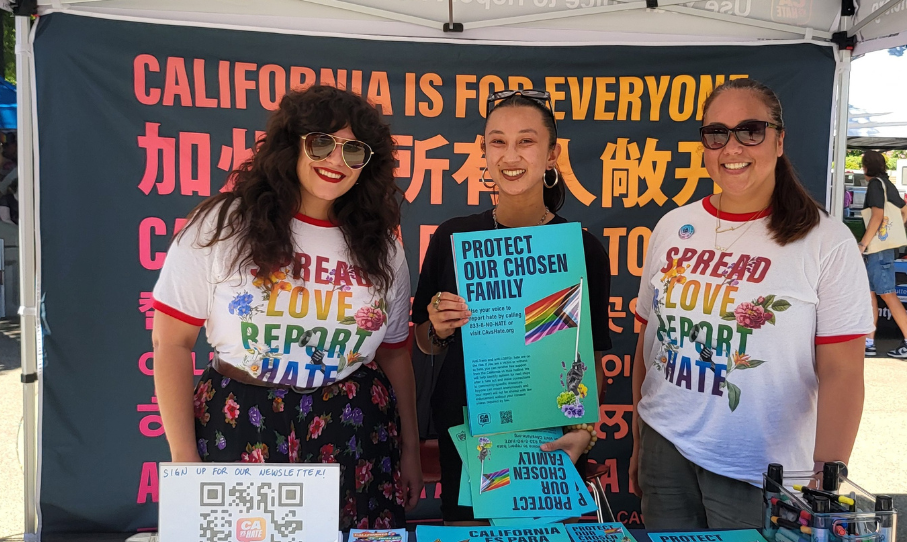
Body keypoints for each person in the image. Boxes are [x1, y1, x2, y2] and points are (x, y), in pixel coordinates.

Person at [151, 85, 422, 530]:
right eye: (321, 143)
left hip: (353, 431)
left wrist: (410, 450)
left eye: (354, 151)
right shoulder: (224, 224)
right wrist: (184, 459)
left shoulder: (382, 246)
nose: (336, 160)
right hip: (241, 426)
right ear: (290, 144)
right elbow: (171, 342)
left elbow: (394, 353)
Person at [629, 78, 871, 529]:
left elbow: (844, 372)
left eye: (751, 131)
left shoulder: (826, 241)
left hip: (761, 473)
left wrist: (824, 480)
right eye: (716, 133)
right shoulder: (673, 226)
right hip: (665, 452)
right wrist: (641, 439)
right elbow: (650, 338)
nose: (732, 146)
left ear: (779, 141)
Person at [411, 89, 612, 525]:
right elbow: (424, 343)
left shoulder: (583, 249)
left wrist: (583, 432)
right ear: (483, 152)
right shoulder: (452, 238)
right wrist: (439, 328)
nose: (510, 155)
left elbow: (592, 356)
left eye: (526, 140)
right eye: (497, 141)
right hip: (468, 434)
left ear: (552, 153)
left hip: (549, 440)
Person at [858, 151, 907, 358]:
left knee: (886, 294)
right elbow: (906, 212)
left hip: (876, 250)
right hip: (883, 249)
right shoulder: (888, 184)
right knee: (872, 294)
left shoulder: (875, 185)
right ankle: (869, 342)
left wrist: (863, 244)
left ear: (865, 167)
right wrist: (891, 232)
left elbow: (877, 216)